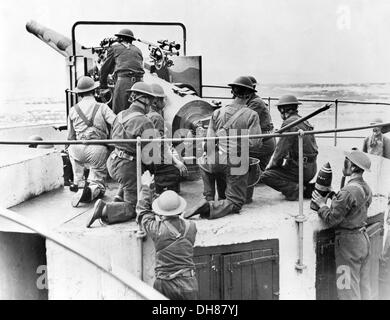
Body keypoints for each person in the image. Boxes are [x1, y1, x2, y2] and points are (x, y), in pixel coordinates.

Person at [184, 76, 262, 219]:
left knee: (206, 162)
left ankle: (207, 198)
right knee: (237, 202)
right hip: (234, 162)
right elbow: (255, 143)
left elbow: (209, 142)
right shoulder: (252, 115)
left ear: (232, 92)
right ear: (249, 94)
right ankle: (209, 206)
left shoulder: (217, 112)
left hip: (212, 162)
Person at [86, 82, 157, 227]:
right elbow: (151, 157)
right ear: (144, 100)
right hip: (127, 167)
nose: (151, 104)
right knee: (136, 206)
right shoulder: (145, 122)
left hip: (113, 161)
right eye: (150, 100)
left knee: (129, 182)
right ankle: (105, 209)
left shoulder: (120, 115)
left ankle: (117, 199)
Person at [312, 149, 373, 300]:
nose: (343, 163)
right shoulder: (365, 188)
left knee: (346, 289)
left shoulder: (347, 192)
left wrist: (321, 205)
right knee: (364, 287)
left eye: (347, 161)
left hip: (348, 246)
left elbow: (331, 219)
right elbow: (353, 206)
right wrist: (335, 195)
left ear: (352, 167)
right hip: (362, 240)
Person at [136, 170, 198, 300]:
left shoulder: (157, 229)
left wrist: (147, 187)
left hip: (164, 284)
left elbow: (142, 212)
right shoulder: (191, 227)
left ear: (160, 212)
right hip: (188, 283)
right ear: (180, 209)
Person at [67, 76, 116, 207]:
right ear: (94, 91)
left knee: (71, 151)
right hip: (97, 149)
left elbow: (70, 136)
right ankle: (92, 190)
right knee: (98, 182)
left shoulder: (73, 110)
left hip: (77, 149)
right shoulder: (102, 107)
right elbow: (116, 123)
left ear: (79, 94)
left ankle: (78, 183)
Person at [260, 95, 318, 201]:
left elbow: (279, 152)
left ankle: (298, 190)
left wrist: (272, 167)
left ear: (282, 109)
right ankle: (303, 186)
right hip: (311, 168)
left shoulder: (289, 123)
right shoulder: (302, 120)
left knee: (266, 176)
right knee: (282, 167)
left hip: (301, 169)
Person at [147, 83, 188, 194]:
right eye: (163, 99)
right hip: (157, 159)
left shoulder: (148, 114)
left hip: (148, 157)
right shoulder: (157, 117)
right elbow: (161, 145)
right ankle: (169, 196)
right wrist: (176, 163)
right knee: (176, 170)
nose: (165, 102)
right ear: (155, 101)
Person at [99, 28, 144, 114]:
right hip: (139, 84)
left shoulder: (114, 48)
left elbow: (105, 69)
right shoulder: (138, 50)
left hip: (124, 83)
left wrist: (103, 86)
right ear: (131, 40)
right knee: (137, 111)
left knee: (119, 112)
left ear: (120, 38)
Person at [246, 76, 276, 203]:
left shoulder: (255, 103)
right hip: (264, 140)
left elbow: (239, 118)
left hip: (264, 142)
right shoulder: (252, 101)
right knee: (258, 173)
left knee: (235, 153)